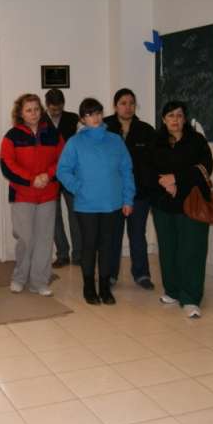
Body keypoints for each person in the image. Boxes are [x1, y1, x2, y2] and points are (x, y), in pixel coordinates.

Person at [57, 98, 134, 305]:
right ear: (83, 119)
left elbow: (126, 170)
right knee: (89, 246)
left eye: (98, 113)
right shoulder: (75, 142)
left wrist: (128, 199)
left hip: (113, 204)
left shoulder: (115, 140)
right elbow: (62, 170)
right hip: (86, 205)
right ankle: (89, 287)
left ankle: (105, 288)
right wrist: (78, 188)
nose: (95, 118)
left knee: (108, 247)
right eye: (90, 114)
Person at [150, 101, 213, 319]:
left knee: (192, 250)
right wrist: (164, 183)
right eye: (170, 115)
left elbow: (205, 169)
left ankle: (191, 298)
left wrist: (176, 179)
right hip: (163, 203)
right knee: (168, 249)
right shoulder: (155, 141)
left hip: (192, 203)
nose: (175, 120)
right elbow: (146, 168)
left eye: (179, 115)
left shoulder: (197, 141)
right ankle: (172, 290)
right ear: (163, 119)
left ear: (185, 119)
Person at [0, 93, 63, 296]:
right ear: (21, 113)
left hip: (48, 193)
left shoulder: (53, 134)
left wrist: (48, 175)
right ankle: (19, 278)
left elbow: (63, 159)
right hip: (22, 195)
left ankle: (40, 282)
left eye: (36, 109)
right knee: (26, 239)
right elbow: (7, 165)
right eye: (28, 110)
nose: (33, 113)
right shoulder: (12, 136)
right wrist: (31, 179)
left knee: (45, 240)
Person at [105, 88, 157, 290]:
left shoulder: (146, 130)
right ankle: (110, 275)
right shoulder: (105, 127)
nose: (128, 107)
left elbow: (154, 163)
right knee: (112, 236)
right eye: (123, 103)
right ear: (115, 106)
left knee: (137, 235)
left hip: (139, 194)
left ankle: (142, 274)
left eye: (132, 103)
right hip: (112, 193)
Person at [45, 88, 81, 268]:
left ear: (63, 104)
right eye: (53, 109)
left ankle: (79, 255)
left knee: (76, 215)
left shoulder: (73, 119)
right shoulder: (40, 121)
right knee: (54, 217)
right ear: (47, 105)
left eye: (59, 108)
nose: (56, 112)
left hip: (71, 174)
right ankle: (62, 254)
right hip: (49, 176)